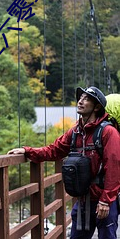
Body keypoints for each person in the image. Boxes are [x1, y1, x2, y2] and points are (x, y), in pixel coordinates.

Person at [7, 86, 120, 239]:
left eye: (86, 99)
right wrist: (27, 151)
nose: (80, 101)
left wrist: (106, 201)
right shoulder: (75, 132)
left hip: (103, 200)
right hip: (83, 200)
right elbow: (54, 150)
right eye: (80, 98)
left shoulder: (108, 132)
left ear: (97, 107)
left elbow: (114, 167)